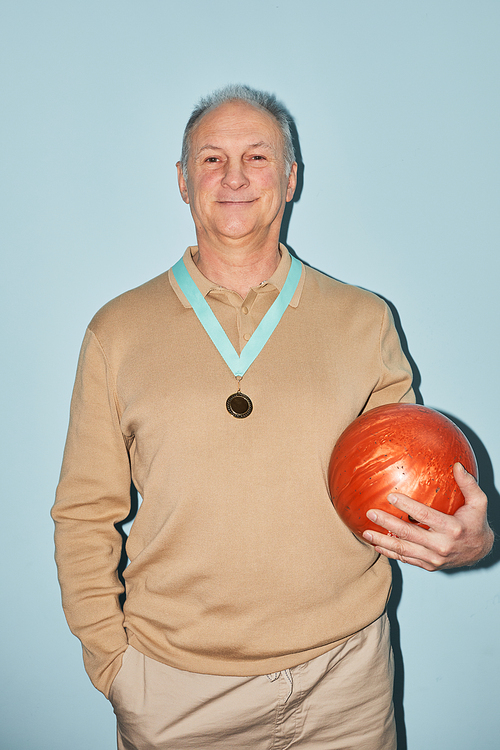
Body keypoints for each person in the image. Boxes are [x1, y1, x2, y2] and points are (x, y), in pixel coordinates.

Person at [52, 85, 493, 750]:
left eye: (257, 157)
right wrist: (116, 670)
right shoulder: (116, 332)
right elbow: (84, 513)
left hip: (347, 684)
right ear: (181, 181)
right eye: (211, 159)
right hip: (178, 694)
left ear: (290, 180)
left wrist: (473, 540)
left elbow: (413, 487)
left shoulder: (363, 320)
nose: (234, 176)